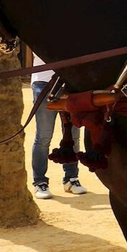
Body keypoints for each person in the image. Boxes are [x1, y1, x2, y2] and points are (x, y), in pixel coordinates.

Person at [29, 54, 86, 198]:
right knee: (43, 136)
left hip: (71, 83)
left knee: (73, 135)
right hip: (44, 82)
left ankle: (71, 178)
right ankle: (39, 182)